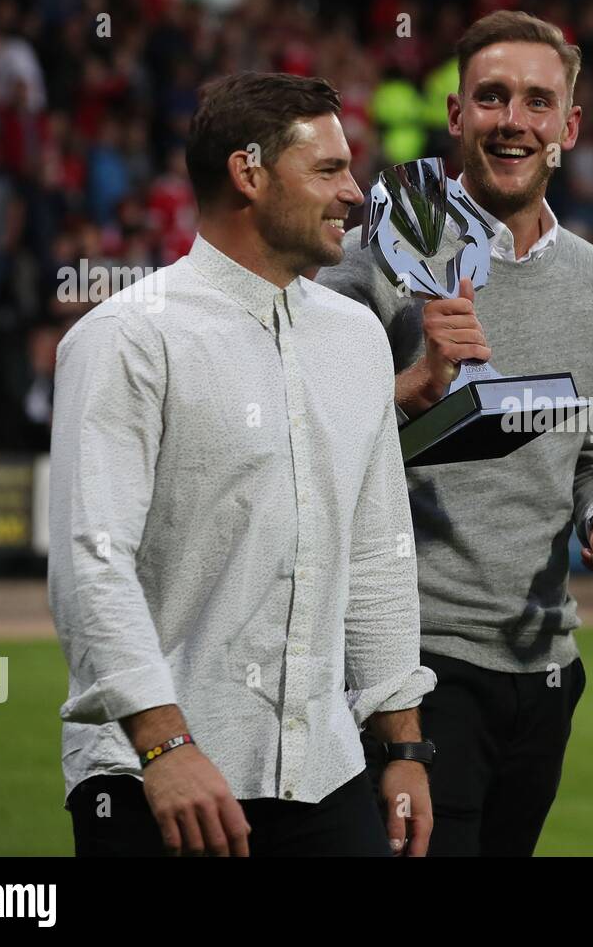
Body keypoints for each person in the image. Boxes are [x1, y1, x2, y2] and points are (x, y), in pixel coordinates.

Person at [48, 72, 436, 857]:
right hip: (155, 779)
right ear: (248, 173)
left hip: (326, 776)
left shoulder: (358, 337)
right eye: (328, 170)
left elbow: (379, 556)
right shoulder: (126, 338)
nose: (355, 194)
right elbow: (93, 563)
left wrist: (403, 748)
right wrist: (164, 745)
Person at [318, 10, 593, 856]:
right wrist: (413, 385)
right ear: (456, 115)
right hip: (414, 661)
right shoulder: (368, 263)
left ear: (569, 128)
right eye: (493, 97)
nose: (515, 120)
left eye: (539, 102)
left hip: (546, 665)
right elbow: (307, 453)